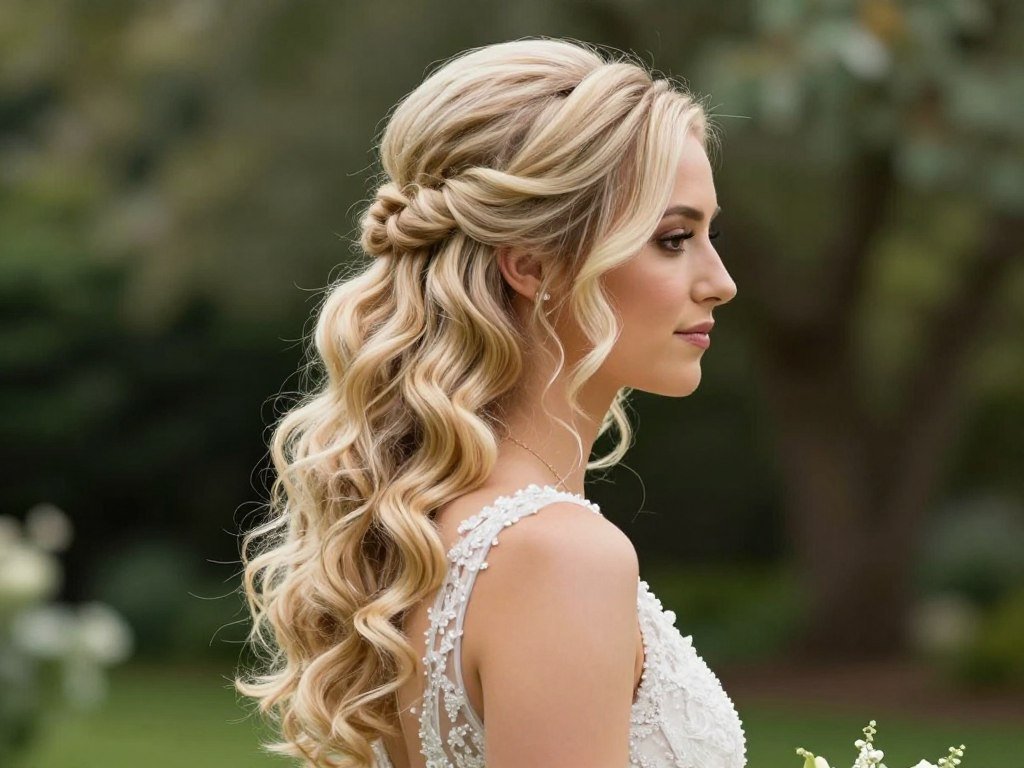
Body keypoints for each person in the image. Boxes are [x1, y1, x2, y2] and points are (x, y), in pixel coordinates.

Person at [236, 37, 745, 768]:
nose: (720, 282)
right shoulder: (560, 556)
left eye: (709, 234)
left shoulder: (421, 538)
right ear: (532, 266)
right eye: (673, 239)